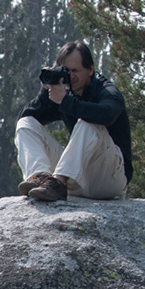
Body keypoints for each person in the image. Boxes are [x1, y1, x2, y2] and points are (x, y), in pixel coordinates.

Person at [15, 40, 133, 202]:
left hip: (109, 177)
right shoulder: (65, 91)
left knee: (88, 122)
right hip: (77, 176)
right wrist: (46, 91)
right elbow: (28, 116)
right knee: (25, 124)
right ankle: (41, 178)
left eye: (75, 70)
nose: (70, 76)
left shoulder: (106, 91)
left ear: (90, 69)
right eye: (65, 71)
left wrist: (66, 102)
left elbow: (107, 114)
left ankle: (58, 184)